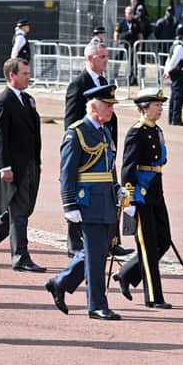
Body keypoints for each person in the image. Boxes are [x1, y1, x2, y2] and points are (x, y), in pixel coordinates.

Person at [45, 84, 127, 321]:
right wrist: (69, 204)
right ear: (93, 105)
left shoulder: (104, 131)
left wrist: (116, 188)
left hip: (106, 201)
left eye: (111, 105)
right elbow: (67, 172)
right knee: (95, 258)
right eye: (107, 105)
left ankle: (59, 283)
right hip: (87, 202)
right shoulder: (76, 133)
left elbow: (109, 166)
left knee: (96, 252)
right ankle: (97, 305)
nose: (111, 110)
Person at [0, 58, 45, 272]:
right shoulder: (2, 102)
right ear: (12, 75)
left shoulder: (27, 99)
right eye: (24, 73)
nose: (28, 77)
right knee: (20, 212)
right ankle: (20, 257)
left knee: (23, 210)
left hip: (30, 163)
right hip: (15, 167)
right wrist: (4, 167)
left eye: (28, 73)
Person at [62, 42, 132, 257]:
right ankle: (74, 243)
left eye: (106, 56)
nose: (106, 60)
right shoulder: (78, 84)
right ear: (90, 58)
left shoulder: (102, 82)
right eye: (102, 56)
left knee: (108, 194)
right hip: (86, 149)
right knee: (82, 195)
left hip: (104, 146)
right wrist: (82, 145)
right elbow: (71, 119)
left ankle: (112, 241)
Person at [112, 88, 173, 309]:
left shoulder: (157, 131)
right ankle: (154, 297)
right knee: (147, 245)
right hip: (141, 195)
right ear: (144, 108)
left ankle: (126, 273)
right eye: (156, 105)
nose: (160, 108)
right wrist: (129, 200)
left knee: (164, 240)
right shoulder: (136, 132)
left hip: (156, 192)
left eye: (160, 105)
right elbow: (128, 167)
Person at [163, 26, 183, 126]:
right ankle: (176, 118)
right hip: (178, 73)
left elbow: (169, 60)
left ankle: (173, 118)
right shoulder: (179, 47)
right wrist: (168, 70)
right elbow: (173, 61)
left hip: (175, 72)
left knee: (175, 95)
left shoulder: (175, 45)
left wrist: (166, 70)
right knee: (178, 96)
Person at [114, 6, 142, 85]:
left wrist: (140, 45)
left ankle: (133, 79)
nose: (130, 14)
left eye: (131, 13)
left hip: (133, 45)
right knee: (118, 60)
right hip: (123, 45)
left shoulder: (136, 22)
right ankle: (115, 76)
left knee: (133, 62)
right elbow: (116, 33)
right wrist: (116, 42)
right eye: (128, 13)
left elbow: (140, 34)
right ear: (125, 14)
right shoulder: (121, 22)